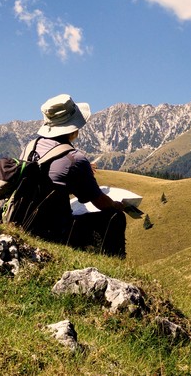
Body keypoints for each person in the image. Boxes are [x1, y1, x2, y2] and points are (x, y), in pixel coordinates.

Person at [20, 94, 127, 257]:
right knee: (115, 217)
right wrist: (116, 205)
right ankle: (115, 265)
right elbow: (100, 203)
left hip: (23, 223)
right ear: (73, 127)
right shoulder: (74, 158)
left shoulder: (30, 147)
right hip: (53, 233)